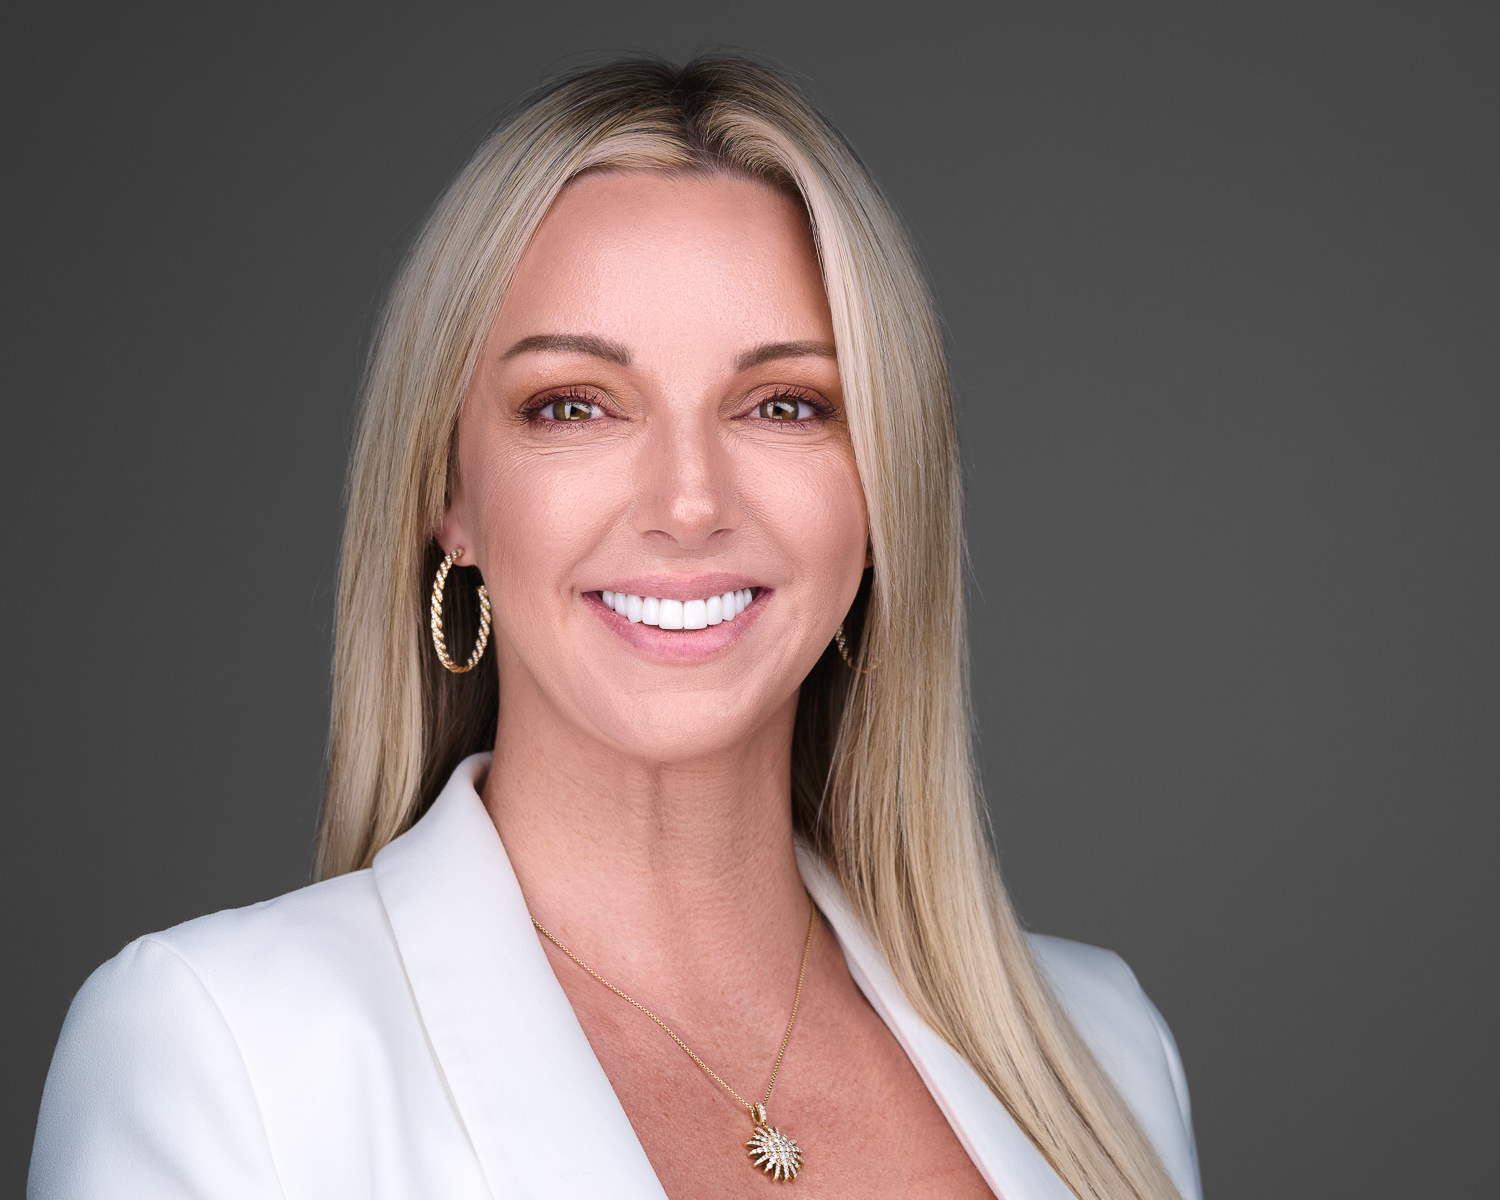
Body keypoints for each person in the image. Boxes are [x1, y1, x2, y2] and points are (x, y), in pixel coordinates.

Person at [29, 57, 1201, 1200]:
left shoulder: (1101, 1052)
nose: (689, 503)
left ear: (885, 493)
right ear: (451, 497)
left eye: (785, 404)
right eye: (574, 407)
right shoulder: (222, 1055)